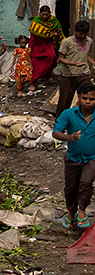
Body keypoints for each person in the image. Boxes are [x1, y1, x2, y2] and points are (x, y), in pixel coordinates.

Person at [52, 82, 95, 230]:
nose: (88, 102)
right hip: (73, 157)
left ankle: (82, 210)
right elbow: (56, 132)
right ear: (79, 97)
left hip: (92, 157)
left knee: (86, 182)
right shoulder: (69, 114)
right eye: (84, 98)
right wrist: (70, 138)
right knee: (70, 188)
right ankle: (71, 212)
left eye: (91, 99)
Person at [55, 21, 92, 117]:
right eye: (81, 34)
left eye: (85, 33)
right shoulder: (67, 42)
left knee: (88, 97)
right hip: (69, 75)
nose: (83, 36)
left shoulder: (89, 41)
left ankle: (85, 119)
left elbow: (86, 55)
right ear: (75, 31)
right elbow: (61, 58)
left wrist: (93, 62)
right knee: (65, 100)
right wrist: (73, 63)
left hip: (84, 74)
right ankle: (60, 122)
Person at [28, 5, 64, 86]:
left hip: (48, 44)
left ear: (50, 14)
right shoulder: (36, 21)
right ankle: (33, 82)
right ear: (40, 14)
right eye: (43, 14)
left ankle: (47, 75)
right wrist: (30, 47)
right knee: (36, 65)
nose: (44, 16)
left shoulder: (54, 21)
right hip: (37, 45)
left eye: (46, 14)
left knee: (51, 58)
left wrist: (57, 36)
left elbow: (59, 30)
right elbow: (33, 35)